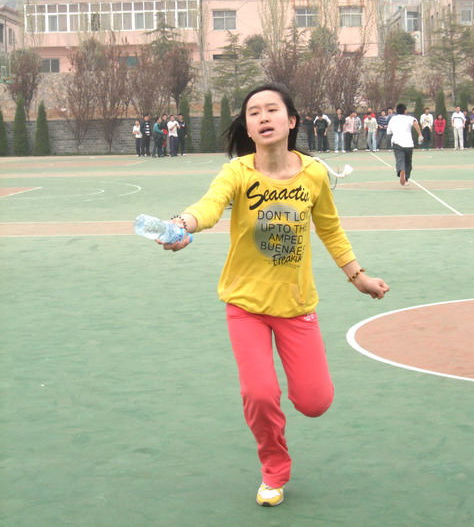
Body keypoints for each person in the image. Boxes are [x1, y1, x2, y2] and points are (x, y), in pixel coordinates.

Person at [157, 83, 389, 508]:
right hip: (245, 304)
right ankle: (274, 468)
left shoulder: (314, 173)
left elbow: (330, 229)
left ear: (291, 120)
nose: (263, 117)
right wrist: (181, 225)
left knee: (315, 403)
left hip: (296, 304)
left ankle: (297, 416)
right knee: (260, 394)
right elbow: (210, 206)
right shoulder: (237, 172)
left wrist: (358, 276)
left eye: (271, 110)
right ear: (247, 127)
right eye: (253, 113)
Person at [387, 103, 423, 186]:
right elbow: (415, 123)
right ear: (405, 111)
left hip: (397, 143)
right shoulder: (410, 118)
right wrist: (420, 134)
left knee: (400, 160)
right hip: (408, 144)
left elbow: (388, 132)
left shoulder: (393, 119)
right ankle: (406, 178)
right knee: (408, 161)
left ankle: (401, 170)